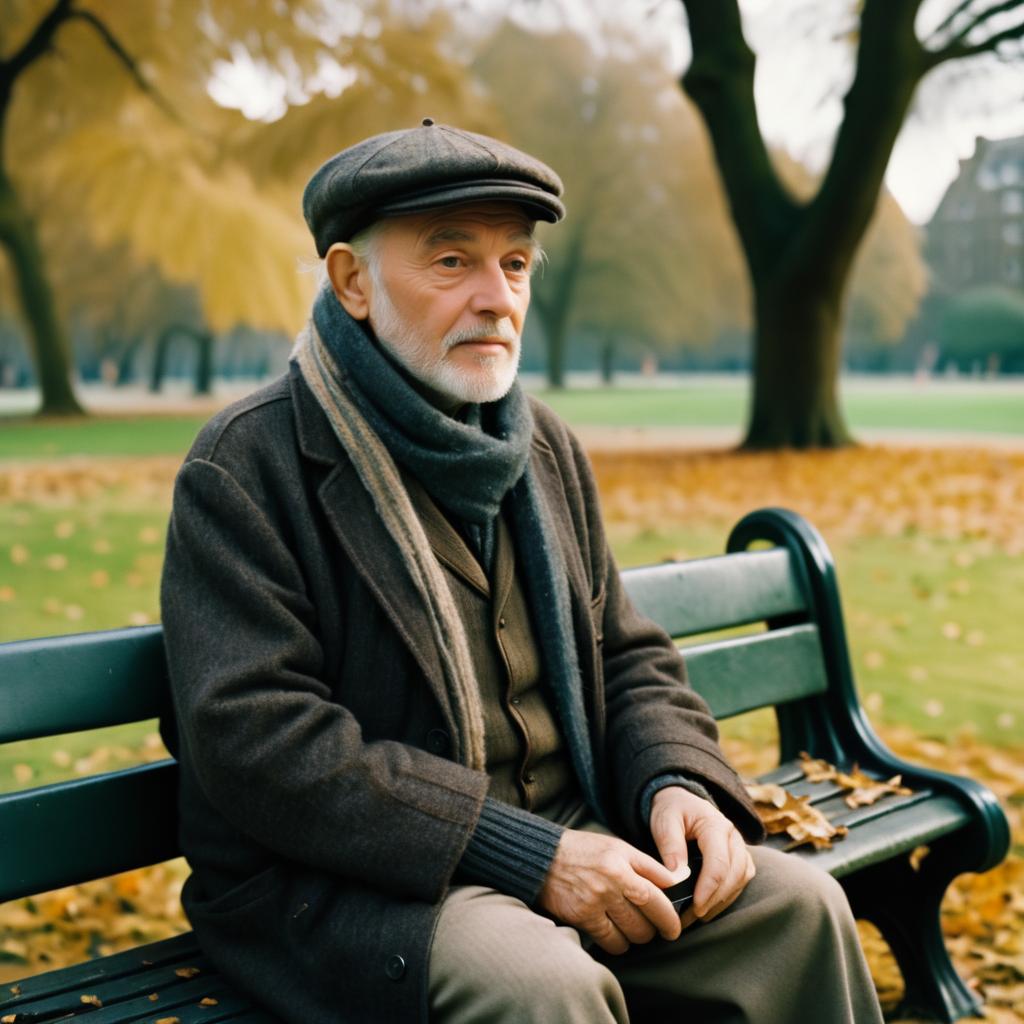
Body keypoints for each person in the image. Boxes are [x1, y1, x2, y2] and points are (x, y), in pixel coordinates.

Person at [160, 120, 884, 1024]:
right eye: (452, 261)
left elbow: (627, 656)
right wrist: (527, 856)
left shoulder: (544, 447)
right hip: (348, 888)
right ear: (352, 281)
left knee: (799, 912)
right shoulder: (248, 464)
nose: (497, 298)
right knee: (545, 987)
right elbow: (257, 740)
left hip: (576, 829)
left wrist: (677, 785)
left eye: (515, 264)